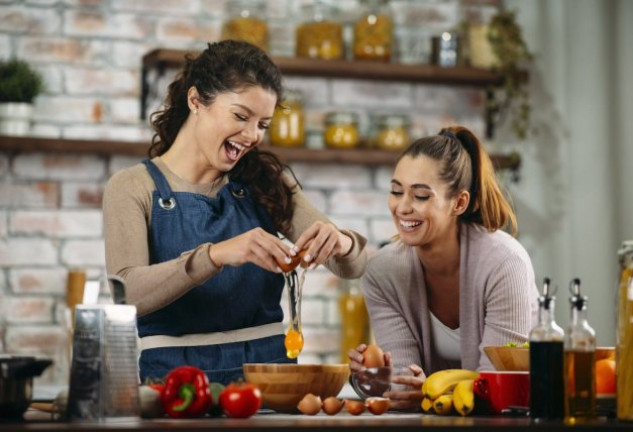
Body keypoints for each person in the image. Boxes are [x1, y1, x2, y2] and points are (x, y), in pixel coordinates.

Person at [103, 40, 367, 385]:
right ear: (196, 100)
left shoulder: (265, 182)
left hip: (270, 377)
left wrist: (342, 242)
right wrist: (216, 255)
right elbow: (130, 295)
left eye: (263, 124)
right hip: (173, 382)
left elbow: (353, 267)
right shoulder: (133, 187)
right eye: (241, 116)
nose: (252, 135)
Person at [348, 125, 539, 410]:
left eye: (421, 196)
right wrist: (377, 379)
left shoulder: (505, 263)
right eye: (396, 191)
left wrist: (429, 390)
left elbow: (497, 387)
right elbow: (403, 384)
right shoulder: (383, 273)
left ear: (459, 202)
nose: (402, 207)